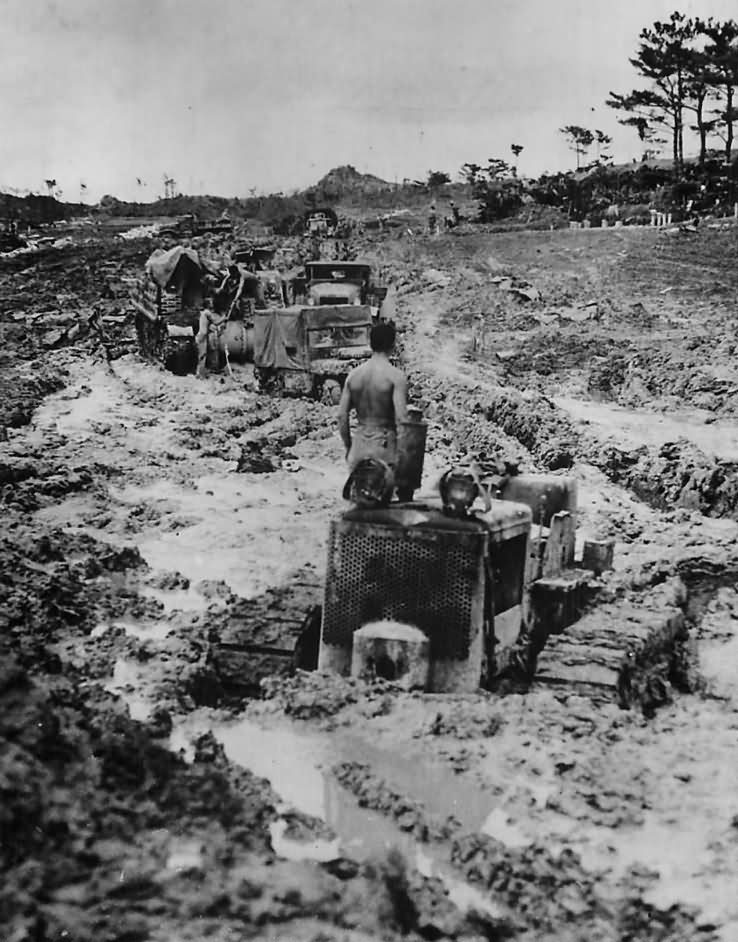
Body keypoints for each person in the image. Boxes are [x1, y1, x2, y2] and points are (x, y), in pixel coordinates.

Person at [338, 320, 408, 471]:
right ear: (392, 345)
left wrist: (349, 446)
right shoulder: (396, 377)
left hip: (359, 447)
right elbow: (402, 419)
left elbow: (341, 416)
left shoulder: (353, 375)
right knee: (386, 493)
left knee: (357, 492)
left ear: (371, 344)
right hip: (384, 448)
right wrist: (403, 454)